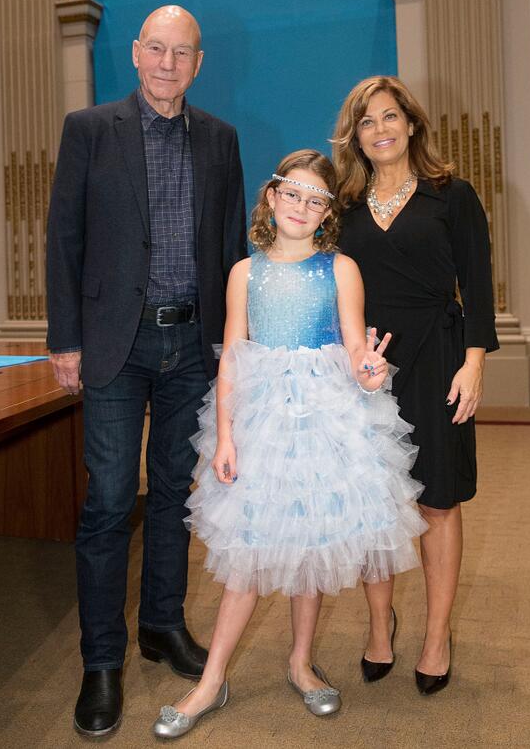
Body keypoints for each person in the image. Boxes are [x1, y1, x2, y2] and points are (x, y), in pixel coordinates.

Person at [151, 149, 426, 739]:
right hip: (263, 419)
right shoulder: (244, 273)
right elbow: (231, 358)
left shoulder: (340, 268)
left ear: (327, 212)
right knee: (248, 554)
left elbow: (356, 347)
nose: (302, 206)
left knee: (312, 544)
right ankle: (211, 680)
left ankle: (301, 662)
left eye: (315, 200)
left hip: (327, 414)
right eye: (292, 193)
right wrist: (224, 436)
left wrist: (371, 371)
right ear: (272, 198)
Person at [46, 5, 247, 737]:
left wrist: (233, 342)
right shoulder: (89, 130)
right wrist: (63, 339)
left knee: (172, 496)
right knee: (106, 502)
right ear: (135, 54)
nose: (167, 63)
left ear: (199, 62)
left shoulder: (221, 142)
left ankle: (162, 625)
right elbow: (63, 234)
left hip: (191, 349)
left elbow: (229, 250)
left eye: (181, 52)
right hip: (114, 348)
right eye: (156, 49)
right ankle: (101, 662)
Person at [332, 76, 498, 695]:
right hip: (366, 367)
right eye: (367, 121)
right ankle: (380, 627)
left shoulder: (451, 195)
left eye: (390, 117)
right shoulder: (343, 206)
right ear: (355, 136)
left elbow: (477, 285)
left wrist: (475, 360)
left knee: (437, 501)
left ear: (411, 124)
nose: (381, 129)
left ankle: (435, 636)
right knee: (376, 505)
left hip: (438, 358)